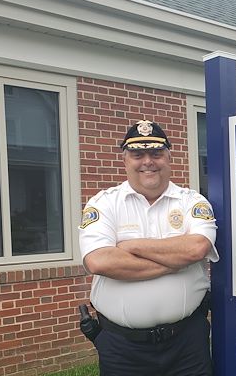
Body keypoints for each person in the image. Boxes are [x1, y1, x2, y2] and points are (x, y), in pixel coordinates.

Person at [79, 119, 218, 376]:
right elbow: (99, 262)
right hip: (122, 348)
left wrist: (131, 246)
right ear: (125, 160)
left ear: (169, 158)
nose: (148, 161)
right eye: (137, 154)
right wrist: (176, 261)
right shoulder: (104, 204)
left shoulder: (192, 201)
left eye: (156, 153)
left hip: (187, 343)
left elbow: (197, 248)